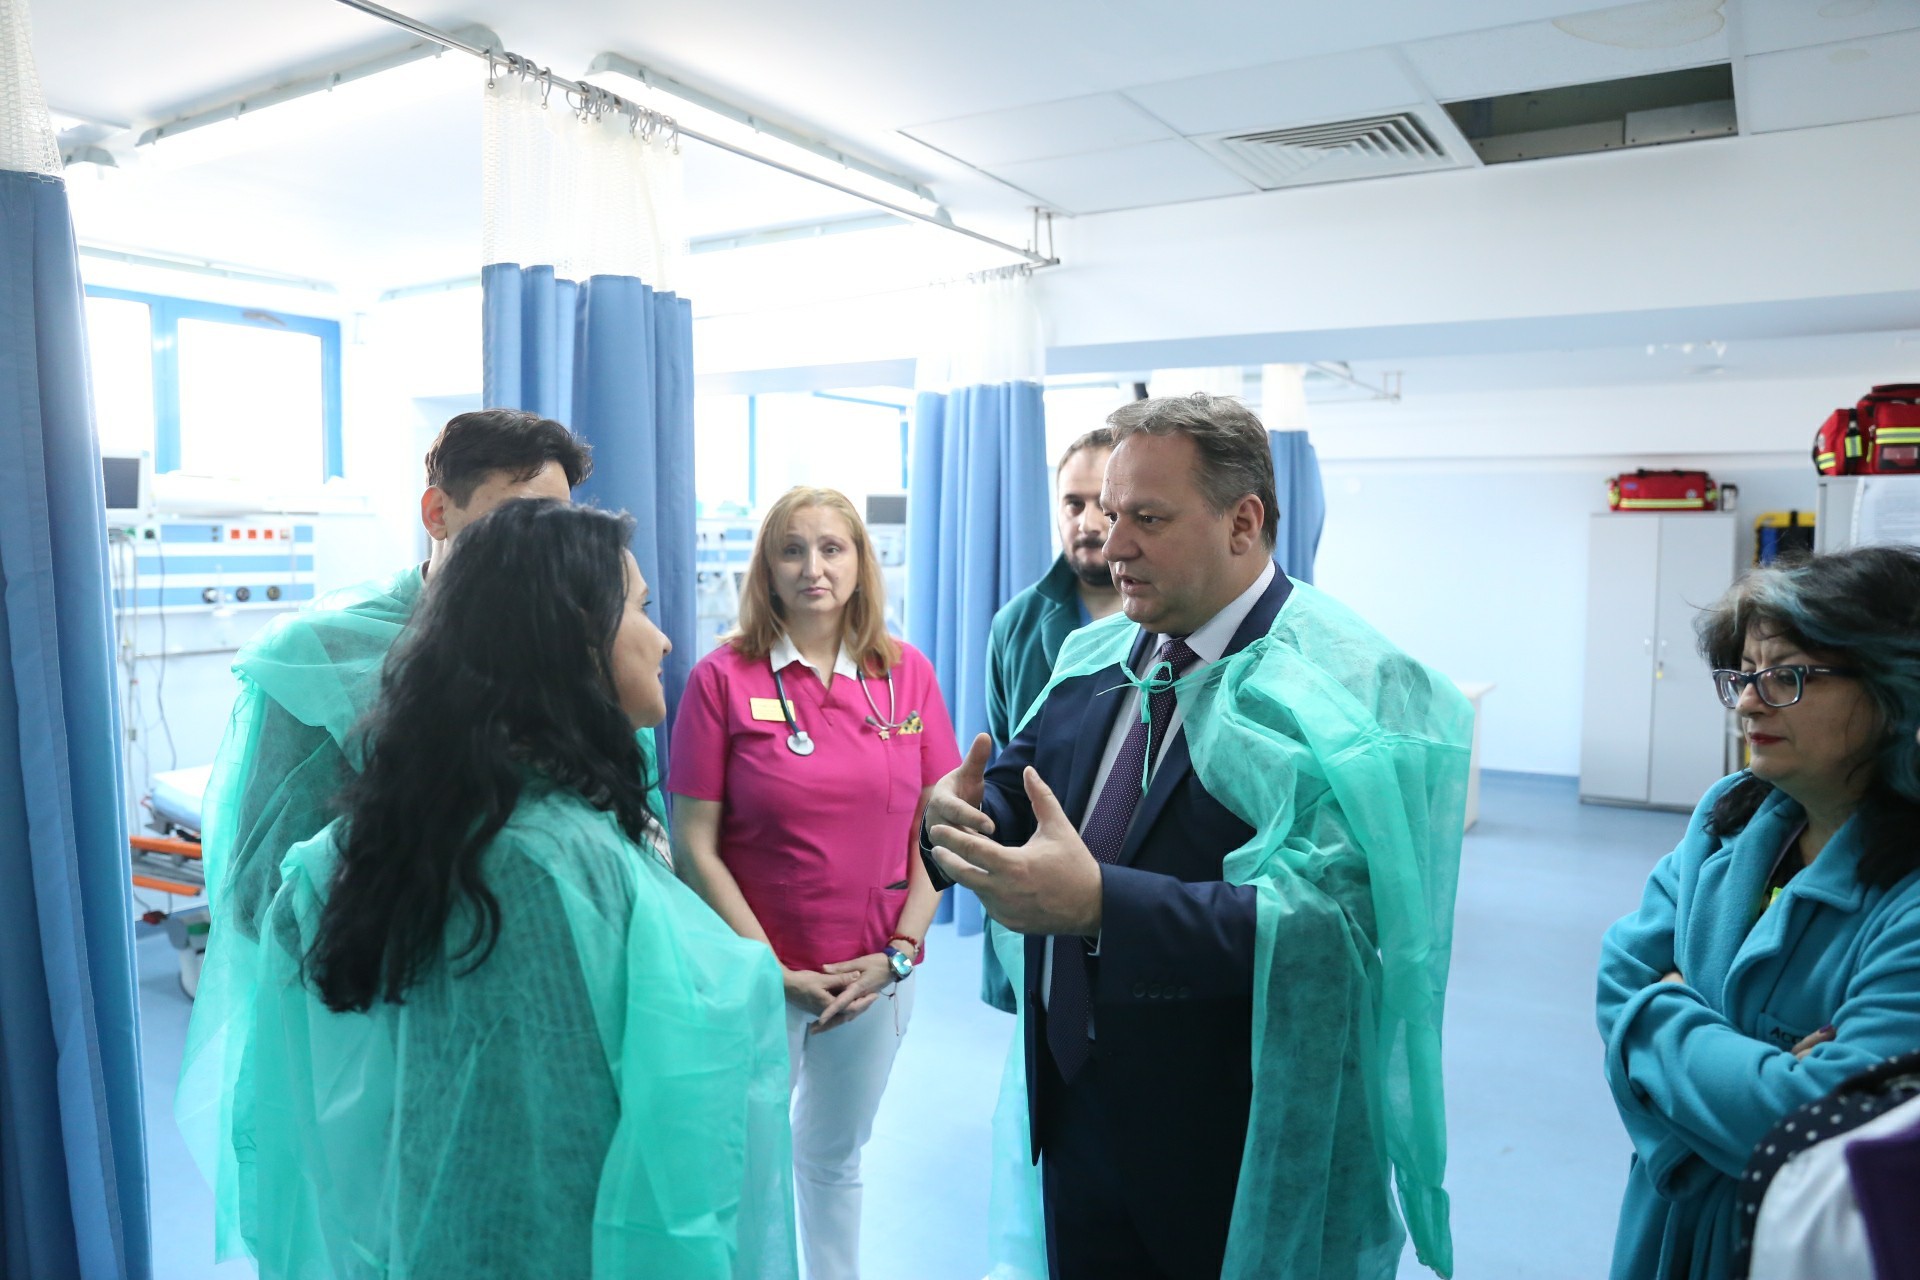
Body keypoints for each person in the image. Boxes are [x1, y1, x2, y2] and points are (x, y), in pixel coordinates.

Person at [923, 394, 1472, 1280]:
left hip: (1233, 1137)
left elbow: (1333, 928)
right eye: (1108, 514)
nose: (1111, 545)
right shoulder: (1097, 656)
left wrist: (1102, 905)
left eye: (1147, 518)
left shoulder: (1355, 688)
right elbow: (1017, 787)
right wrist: (957, 817)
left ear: (1243, 522)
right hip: (1072, 1099)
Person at [223, 499, 794, 1278]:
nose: (663, 640)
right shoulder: (534, 864)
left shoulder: (497, 817)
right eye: (639, 609)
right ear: (571, 636)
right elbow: (544, 1139)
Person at [176, 408, 600, 1257]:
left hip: (532, 1029)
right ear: (437, 512)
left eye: (556, 521)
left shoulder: (572, 651)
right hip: (367, 1034)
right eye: (516, 515)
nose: (540, 544)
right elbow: (260, 892)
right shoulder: (323, 656)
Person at [1597, 543, 1920, 1280]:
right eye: (1744, 675)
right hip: (1667, 1222)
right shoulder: (1730, 818)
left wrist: (1658, 1017)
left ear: (1896, 690)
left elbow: (1820, 1137)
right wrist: (1753, 1085)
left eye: (1787, 676)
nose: (1748, 702)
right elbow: (1620, 970)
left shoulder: (1908, 898)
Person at [668, 485, 961, 1280]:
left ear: (862, 563)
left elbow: (936, 832)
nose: (813, 568)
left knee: (834, 1157)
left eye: (832, 548)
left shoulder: (906, 677)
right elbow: (694, 845)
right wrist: (770, 971)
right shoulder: (721, 680)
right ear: (766, 568)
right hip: (757, 978)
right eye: (791, 550)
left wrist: (900, 953)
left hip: (874, 972)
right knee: (745, 1164)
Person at [977, 429, 1123, 1012]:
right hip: (1038, 884)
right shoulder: (1016, 625)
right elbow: (1006, 751)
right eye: (1072, 503)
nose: (1088, 521)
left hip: (1136, 891)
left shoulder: (1175, 622)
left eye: (1104, 504)